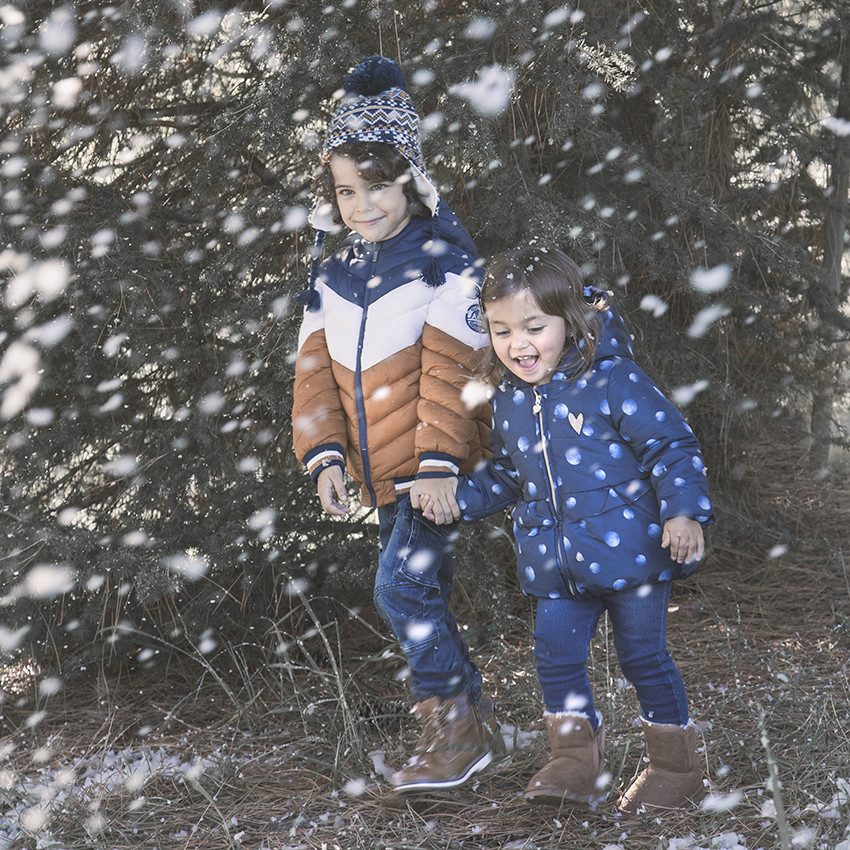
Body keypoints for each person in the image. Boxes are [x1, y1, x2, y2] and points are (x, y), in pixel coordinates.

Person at [418, 246, 714, 812]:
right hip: (556, 565)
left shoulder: (612, 379)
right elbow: (510, 473)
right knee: (555, 656)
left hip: (632, 555)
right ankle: (575, 761)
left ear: (569, 320)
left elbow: (671, 446)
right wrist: (461, 495)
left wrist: (683, 512)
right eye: (502, 331)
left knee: (643, 658)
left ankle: (676, 767)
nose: (518, 344)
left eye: (534, 327)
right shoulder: (510, 398)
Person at [291, 55, 498, 792]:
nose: (362, 204)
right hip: (380, 474)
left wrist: (439, 466)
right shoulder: (334, 265)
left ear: (409, 179)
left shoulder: (445, 260)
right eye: (346, 190)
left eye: (377, 185)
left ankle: (455, 731)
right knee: (418, 590)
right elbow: (314, 367)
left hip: (430, 471)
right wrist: (326, 454)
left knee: (400, 591)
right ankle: (464, 718)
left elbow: (453, 374)